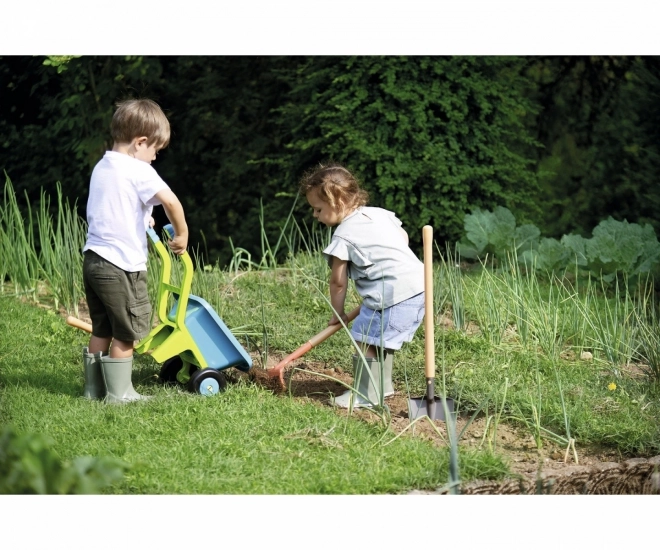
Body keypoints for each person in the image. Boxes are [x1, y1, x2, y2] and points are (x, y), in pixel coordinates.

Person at [81, 98, 189, 404]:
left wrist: (142, 216)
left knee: (101, 328)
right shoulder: (139, 170)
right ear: (140, 142)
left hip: (93, 260)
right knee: (125, 333)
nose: (154, 157)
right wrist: (182, 234)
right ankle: (120, 394)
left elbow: (114, 206)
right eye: (154, 150)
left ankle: (93, 390)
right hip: (120, 266)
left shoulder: (103, 166)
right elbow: (171, 202)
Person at [300, 163, 425, 408]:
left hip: (393, 295)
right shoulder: (378, 213)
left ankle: (366, 395)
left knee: (365, 340)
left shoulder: (343, 236)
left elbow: (338, 282)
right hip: (419, 285)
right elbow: (404, 238)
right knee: (379, 339)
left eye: (317, 209)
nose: (315, 215)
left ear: (336, 203)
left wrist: (337, 313)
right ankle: (382, 387)